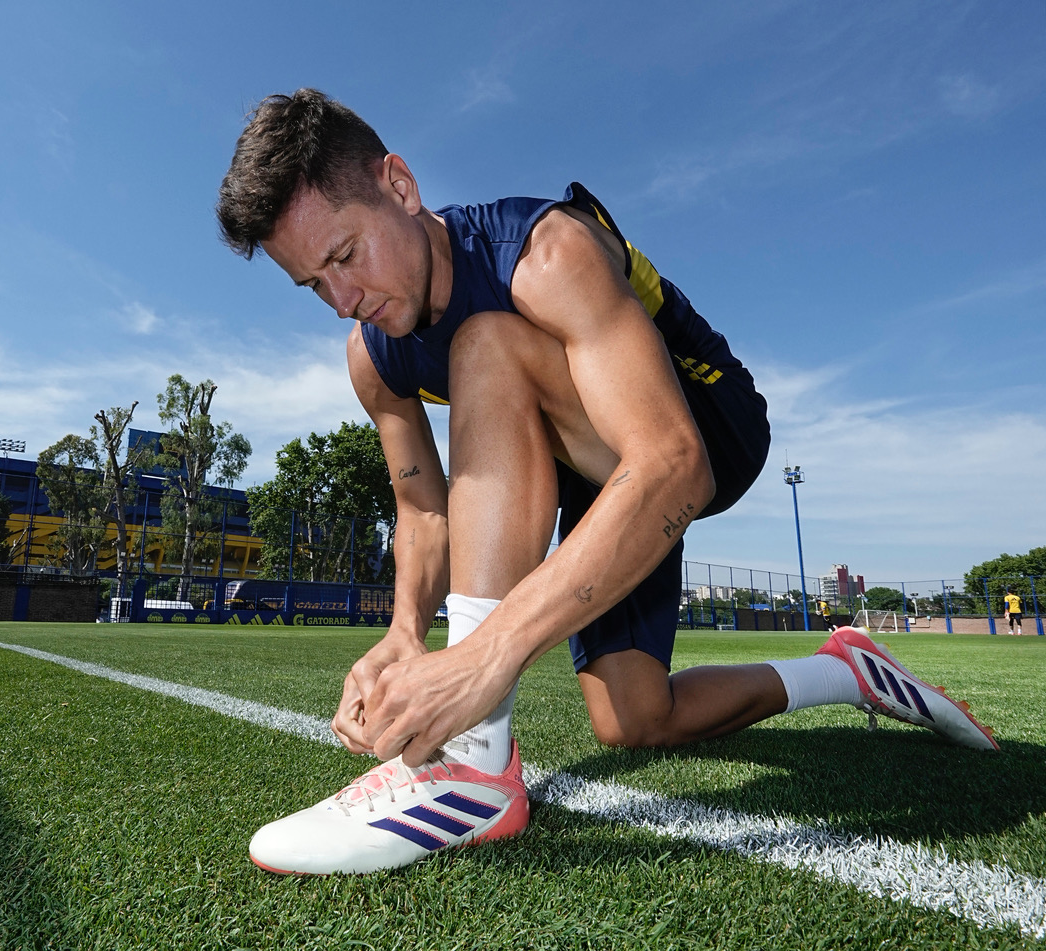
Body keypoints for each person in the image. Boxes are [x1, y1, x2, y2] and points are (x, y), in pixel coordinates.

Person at [216, 89, 1000, 875]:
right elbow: (422, 509)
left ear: (399, 185)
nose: (343, 300)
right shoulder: (371, 356)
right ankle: (848, 668)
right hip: (586, 460)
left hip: (697, 424)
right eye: (314, 284)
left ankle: (473, 764)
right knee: (635, 716)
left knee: (484, 344)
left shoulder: (545, 252)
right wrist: (404, 631)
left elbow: (673, 463)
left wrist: (484, 656)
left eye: (345, 256)